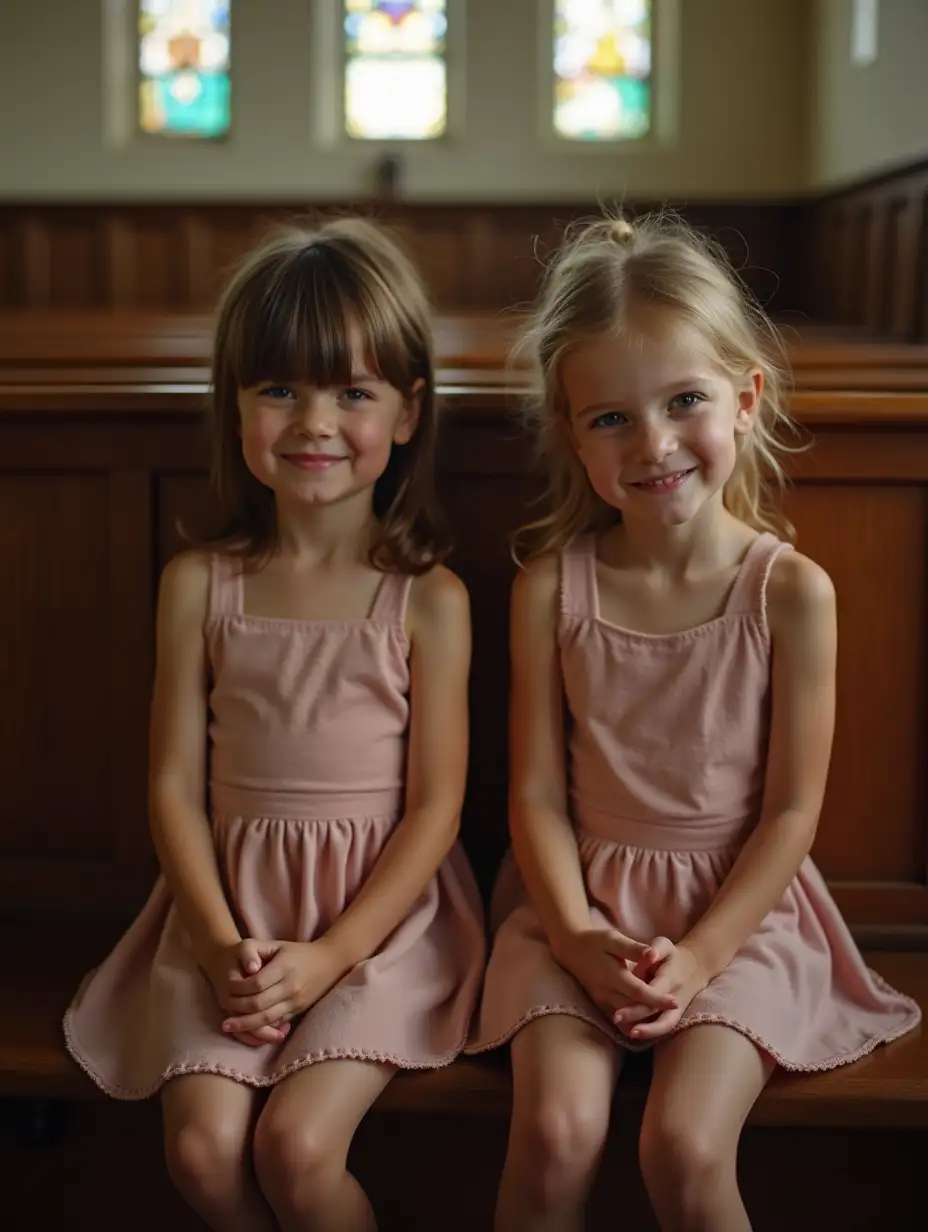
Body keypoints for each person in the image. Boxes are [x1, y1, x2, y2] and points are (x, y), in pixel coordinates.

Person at [467, 212, 921, 1232]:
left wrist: (704, 953)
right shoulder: (551, 590)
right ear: (568, 427)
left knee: (681, 1142)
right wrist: (579, 933)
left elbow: (791, 811)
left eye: (684, 402)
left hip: (741, 919)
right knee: (554, 1133)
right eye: (610, 418)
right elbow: (535, 790)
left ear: (746, 399)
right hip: (573, 905)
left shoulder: (790, 593)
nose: (654, 443)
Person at [64, 217, 486, 1232]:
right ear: (237, 406)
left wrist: (332, 951)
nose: (314, 422)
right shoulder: (198, 585)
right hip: (227, 909)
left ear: (408, 410)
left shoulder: (428, 599)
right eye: (279, 389)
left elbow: (434, 806)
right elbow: (172, 781)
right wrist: (214, 943)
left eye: (353, 391)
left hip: (377, 925)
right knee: (205, 1150)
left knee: (298, 1148)